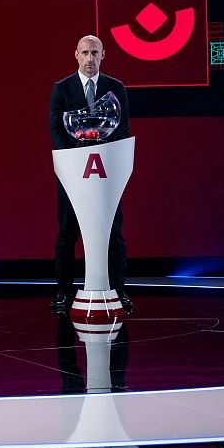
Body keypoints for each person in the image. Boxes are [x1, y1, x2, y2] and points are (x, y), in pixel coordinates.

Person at [47, 35, 132, 313]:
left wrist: (102, 151)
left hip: (106, 174)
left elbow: (122, 129)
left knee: (113, 232)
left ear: (103, 55)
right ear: (76, 55)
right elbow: (56, 131)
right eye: (84, 53)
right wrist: (77, 157)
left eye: (94, 53)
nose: (89, 58)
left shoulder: (116, 88)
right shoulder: (62, 88)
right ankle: (63, 293)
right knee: (67, 233)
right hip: (73, 175)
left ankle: (119, 291)